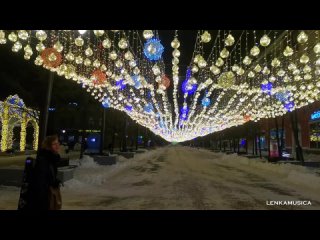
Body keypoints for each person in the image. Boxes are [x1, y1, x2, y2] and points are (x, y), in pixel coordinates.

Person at [28, 135, 62, 210]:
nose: (57, 145)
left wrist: (54, 181)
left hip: (46, 194)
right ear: (48, 146)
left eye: (58, 143)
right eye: (54, 144)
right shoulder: (44, 159)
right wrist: (51, 183)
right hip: (43, 197)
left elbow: (48, 175)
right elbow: (40, 181)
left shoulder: (51, 158)